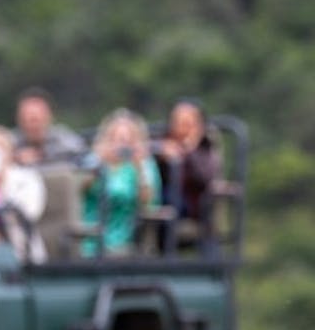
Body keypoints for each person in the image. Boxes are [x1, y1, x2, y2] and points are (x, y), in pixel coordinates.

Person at [81, 109, 161, 257]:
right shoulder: (95, 160)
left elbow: (148, 202)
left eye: (127, 140)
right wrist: (100, 164)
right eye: (116, 139)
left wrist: (139, 170)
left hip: (128, 234)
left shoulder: (144, 165)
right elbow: (80, 189)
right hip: (92, 232)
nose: (121, 146)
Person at [0, 125, 48, 263]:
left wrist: (2, 183)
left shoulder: (28, 178)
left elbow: (31, 212)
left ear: (10, 152)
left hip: (19, 248)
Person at [156, 98, 221, 252]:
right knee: (166, 201)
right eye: (179, 122)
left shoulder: (205, 148)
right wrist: (161, 154)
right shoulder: (161, 143)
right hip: (165, 201)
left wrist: (189, 151)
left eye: (189, 123)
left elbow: (205, 177)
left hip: (198, 206)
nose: (183, 128)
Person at [12, 87, 85, 166]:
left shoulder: (63, 138)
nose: (31, 126)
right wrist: (15, 158)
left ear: (49, 117)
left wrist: (42, 155)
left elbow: (81, 153)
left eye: (35, 120)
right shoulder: (13, 141)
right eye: (25, 120)